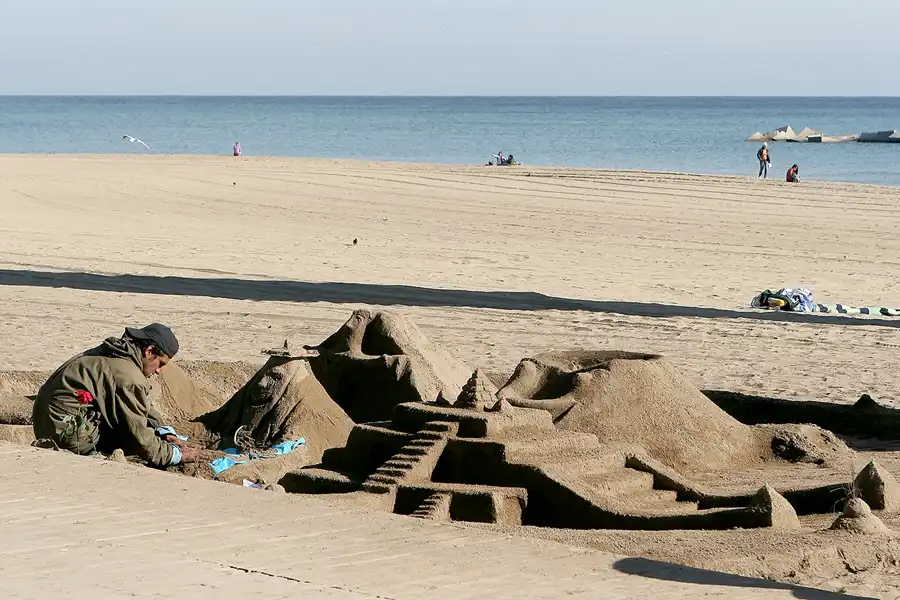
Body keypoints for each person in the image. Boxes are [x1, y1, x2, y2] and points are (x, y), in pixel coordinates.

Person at [32, 323, 207, 467]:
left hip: (45, 425)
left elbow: (140, 405)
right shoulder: (129, 377)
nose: (159, 371)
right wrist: (175, 455)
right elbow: (140, 436)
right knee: (132, 437)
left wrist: (163, 431)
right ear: (149, 351)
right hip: (68, 436)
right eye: (160, 363)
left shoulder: (115, 353)